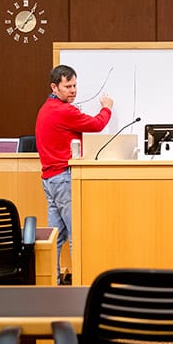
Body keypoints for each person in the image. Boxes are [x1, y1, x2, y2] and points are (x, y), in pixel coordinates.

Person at [35, 65, 114, 284]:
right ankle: (80, 282)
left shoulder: (46, 108)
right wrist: (107, 108)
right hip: (63, 179)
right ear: (54, 87)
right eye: (68, 86)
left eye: (75, 85)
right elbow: (97, 124)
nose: (73, 90)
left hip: (49, 180)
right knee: (76, 233)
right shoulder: (64, 111)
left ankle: (53, 280)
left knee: (56, 236)